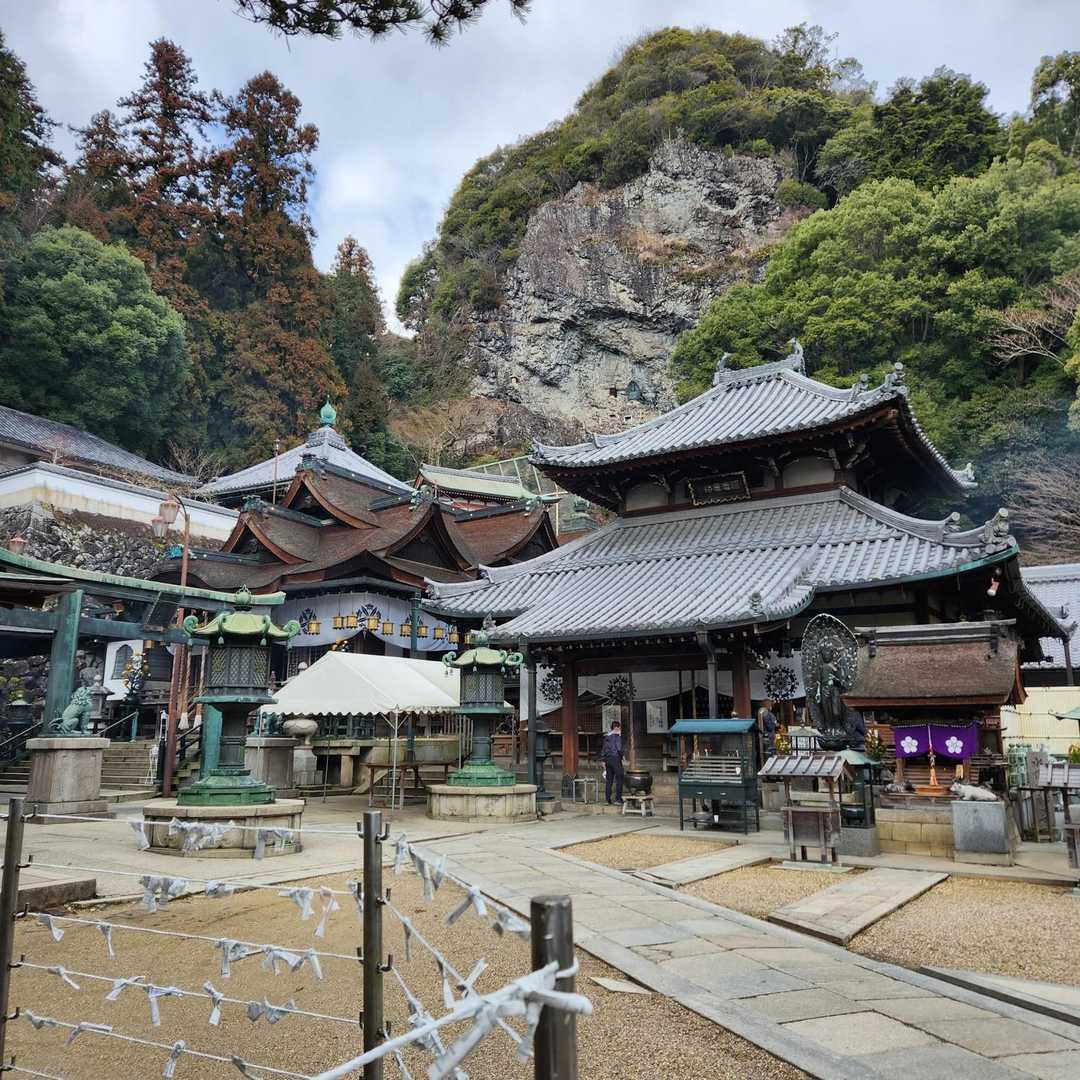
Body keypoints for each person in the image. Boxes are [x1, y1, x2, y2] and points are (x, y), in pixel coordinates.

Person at [602, 719, 624, 804]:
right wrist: (622, 756)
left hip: (607, 760)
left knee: (609, 780)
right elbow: (619, 748)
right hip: (615, 759)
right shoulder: (617, 736)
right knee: (620, 778)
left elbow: (603, 749)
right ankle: (618, 799)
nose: (620, 729)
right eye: (619, 728)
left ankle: (607, 799)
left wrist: (603, 760)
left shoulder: (606, 737)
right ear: (617, 728)